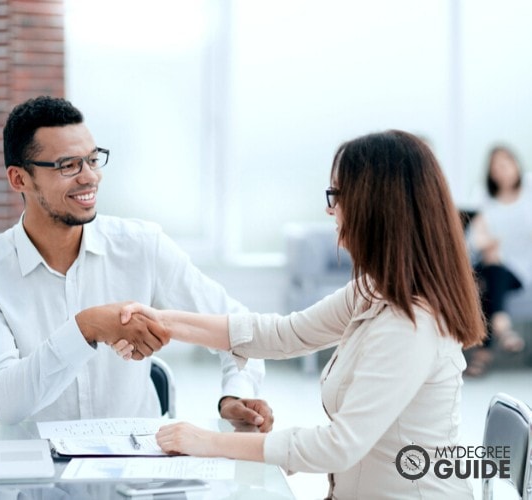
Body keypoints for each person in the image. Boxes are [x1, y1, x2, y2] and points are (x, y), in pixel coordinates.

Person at [113, 130, 484, 499]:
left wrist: (207, 441)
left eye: (337, 195)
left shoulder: (411, 324)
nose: (329, 209)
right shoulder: (373, 290)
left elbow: (338, 446)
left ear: (375, 206)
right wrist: (163, 321)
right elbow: (282, 335)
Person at [0, 96, 272, 430]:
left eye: (92, 160)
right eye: (68, 165)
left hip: (135, 466)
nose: (89, 177)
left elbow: (239, 329)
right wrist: (85, 328)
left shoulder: (142, 247)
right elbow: (3, 405)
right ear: (19, 179)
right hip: (34, 466)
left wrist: (235, 395)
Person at [464, 145, 530, 376]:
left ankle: (483, 353)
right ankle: (502, 326)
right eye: (495, 167)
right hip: (490, 264)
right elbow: (473, 239)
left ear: (516, 165)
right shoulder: (484, 196)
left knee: (489, 276)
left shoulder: (529, 190)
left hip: (521, 267)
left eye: (505, 164)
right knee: (491, 268)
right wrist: (487, 244)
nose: (501, 171)